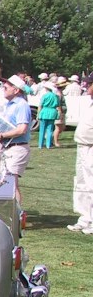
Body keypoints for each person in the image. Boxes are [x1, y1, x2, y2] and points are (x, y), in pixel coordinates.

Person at [0, 75, 32, 204]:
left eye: (6, 86)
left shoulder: (21, 105)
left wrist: (0, 136)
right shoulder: (9, 105)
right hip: (8, 147)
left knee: (10, 183)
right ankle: (8, 214)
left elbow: (22, 129)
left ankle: (16, 216)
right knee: (5, 182)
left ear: (16, 90)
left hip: (17, 147)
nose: (3, 88)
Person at [67, 92, 93, 233]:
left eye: (90, 84)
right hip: (82, 144)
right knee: (81, 182)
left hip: (91, 146)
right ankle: (85, 218)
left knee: (91, 183)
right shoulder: (89, 102)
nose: (86, 87)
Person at [36, 80, 60, 148]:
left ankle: (40, 145)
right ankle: (48, 145)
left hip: (44, 111)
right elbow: (57, 105)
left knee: (42, 129)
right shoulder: (56, 96)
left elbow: (40, 105)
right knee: (50, 129)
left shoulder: (45, 96)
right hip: (52, 112)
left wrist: (38, 114)